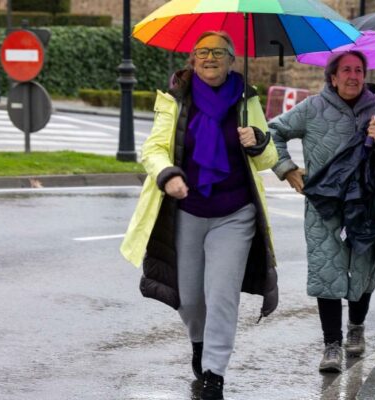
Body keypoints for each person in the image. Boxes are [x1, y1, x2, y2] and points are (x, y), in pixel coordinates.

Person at [119, 31, 278, 400]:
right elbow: (154, 149)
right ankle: (199, 342)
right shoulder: (175, 98)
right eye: (203, 52)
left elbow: (268, 159)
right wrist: (168, 174)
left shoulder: (247, 99)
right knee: (190, 297)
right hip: (187, 210)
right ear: (192, 58)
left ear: (231, 60)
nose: (210, 58)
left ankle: (214, 373)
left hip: (235, 214)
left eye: (219, 52)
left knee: (222, 294)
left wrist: (259, 140)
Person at [269, 51, 375, 373]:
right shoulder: (312, 108)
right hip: (325, 205)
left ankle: (357, 326)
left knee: (363, 271)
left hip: (366, 205)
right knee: (328, 271)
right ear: (332, 77)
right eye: (346, 70)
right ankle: (331, 345)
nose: (353, 76)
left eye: (359, 70)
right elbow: (274, 131)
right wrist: (287, 168)